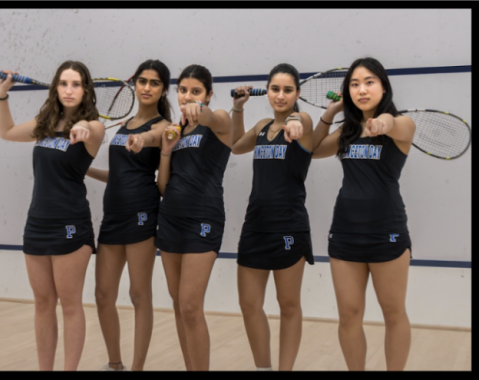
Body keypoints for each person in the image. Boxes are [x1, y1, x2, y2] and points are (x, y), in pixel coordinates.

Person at [0, 60, 105, 371]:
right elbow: (5, 132)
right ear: (56, 88)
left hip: (71, 224)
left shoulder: (93, 127)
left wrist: (83, 128)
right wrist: (2, 95)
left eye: (76, 84)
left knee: (70, 305)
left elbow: (93, 130)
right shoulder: (44, 124)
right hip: (37, 224)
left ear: (85, 91)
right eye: (64, 83)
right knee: (43, 304)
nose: (69, 90)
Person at [126, 64, 234, 371]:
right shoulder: (175, 130)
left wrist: (201, 110)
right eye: (183, 90)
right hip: (171, 218)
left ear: (209, 95)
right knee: (178, 306)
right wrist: (166, 150)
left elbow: (213, 117)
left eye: (196, 91)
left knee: (189, 305)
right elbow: (163, 186)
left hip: (204, 219)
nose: (188, 97)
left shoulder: (219, 121)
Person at [310, 57, 414, 371]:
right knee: (349, 314)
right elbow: (311, 150)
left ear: (383, 86)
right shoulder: (347, 132)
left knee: (393, 312)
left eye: (369, 82)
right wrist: (331, 113)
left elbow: (397, 126)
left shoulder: (402, 124)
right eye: (354, 84)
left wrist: (384, 122)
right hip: (344, 232)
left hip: (388, 231)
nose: (361, 89)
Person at [228, 63, 328, 371]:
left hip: (289, 226)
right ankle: (264, 368)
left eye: (287, 90)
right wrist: (237, 108)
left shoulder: (304, 125)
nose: (280, 95)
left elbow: (303, 120)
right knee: (249, 305)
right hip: (255, 226)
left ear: (297, 93)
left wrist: (296, 120)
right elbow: (234, 146)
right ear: (267, 91)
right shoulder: (260, 127)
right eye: (275, 89)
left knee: (288, 304)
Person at [84, 59, 172, 372]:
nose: (147, 87)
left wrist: (143, 140)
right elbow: (119, 174)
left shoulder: (162, 126)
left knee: (138, 293)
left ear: (163, 89)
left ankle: (137, 367)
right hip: (113, 216)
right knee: (103, 293)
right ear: (134, 83)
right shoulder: (122, 126)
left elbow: (151, 141)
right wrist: (84, 169)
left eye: (155, 83)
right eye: (143, 81)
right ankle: (114, 364)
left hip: (142, 213)